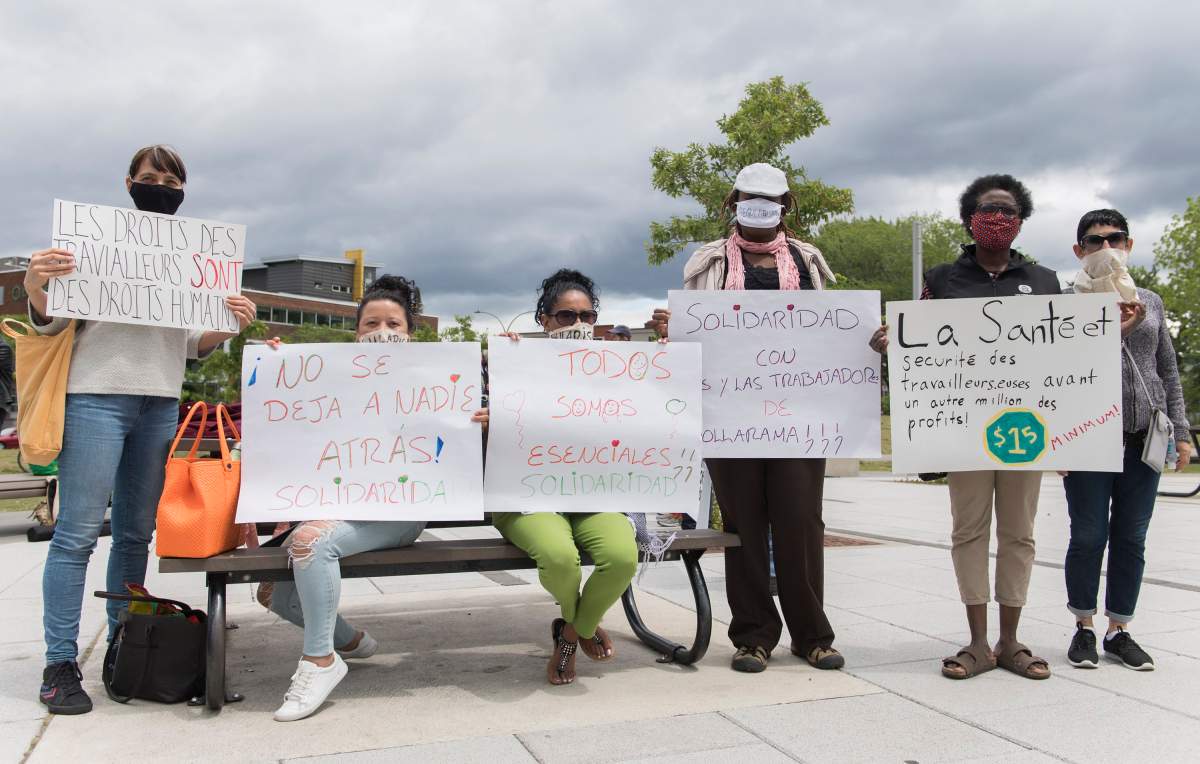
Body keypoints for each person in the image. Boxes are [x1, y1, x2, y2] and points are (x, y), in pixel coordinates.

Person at [25, 145, 257, 714]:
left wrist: (228, 326)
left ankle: (125, 643)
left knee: (134, 535)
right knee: (77, 533)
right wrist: (35, 284)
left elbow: (186, 345)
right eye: (150, 177)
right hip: (94, 399)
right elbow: (50, 319)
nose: (161, 185)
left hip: (159, 404)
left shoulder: (187, 260)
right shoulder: (90, 247)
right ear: (128, 183)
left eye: (172, 179)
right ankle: (59, 662)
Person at [258, 275, 484, 721]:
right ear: (356, 332)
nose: (382, 332)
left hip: (399, 511)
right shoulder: (329, 377)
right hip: (338, 506)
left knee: (310, 543)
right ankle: (350, 642)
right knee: (274, 595)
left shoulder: (435, 379)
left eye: (394, 324)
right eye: (371, 323)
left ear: (410, 333)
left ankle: (320, 661)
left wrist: (478, 419)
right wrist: (272, 368)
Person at [650, 163, 843, 673]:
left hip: (798, 415)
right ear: (734, 201)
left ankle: (812, 635)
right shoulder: (708, 263)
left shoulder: (807, 261)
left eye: (771, 198)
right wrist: (674, 327)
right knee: (744, 526)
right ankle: (753, 635)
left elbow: (829, 331)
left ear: (787, 205)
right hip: (728, 416)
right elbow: (693, 336)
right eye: (751, 196)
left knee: (801, 522)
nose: (761, 205)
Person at [869, 174, 1064, 680]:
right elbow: (921, 339)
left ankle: (1011, 639)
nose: (997, 218)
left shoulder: (1045, 281)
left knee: (1020, 535)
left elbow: (1068, 350)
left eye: (1008, 211)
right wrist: (897, 342)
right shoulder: (942, 277)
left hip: (1027, 429)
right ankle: (978, 642)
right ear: (968, 219)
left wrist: (1116, 331)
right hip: (963, 428)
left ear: (1021, 221)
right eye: (986, 209)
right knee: (969, 531)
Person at [491, 269, 639, 685]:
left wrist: (663, 363)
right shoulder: (512, 360)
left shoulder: (615, 369)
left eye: (587, 317)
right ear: (544, 320)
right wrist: (506, 372)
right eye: (565, 316)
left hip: (592, 495)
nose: (577, 325)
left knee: (623, 557)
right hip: (528, 497)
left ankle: (571, 633)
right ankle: (582, 626)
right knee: (560, 559)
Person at [1062, 209, 1191, 671]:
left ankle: (1120, 629)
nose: (1106, 248)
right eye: (1095, 242)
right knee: (1089, 535)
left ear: (1129, 245)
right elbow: (1056, 372)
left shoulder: (1151, 301)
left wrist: (1183, 434)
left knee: (1132, 537)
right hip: (1089, 437)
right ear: (1079, 250)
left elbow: (1168, 371)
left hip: (1145, 436)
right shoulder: (1066, 302)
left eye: (1115, 239)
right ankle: (1083, 625)